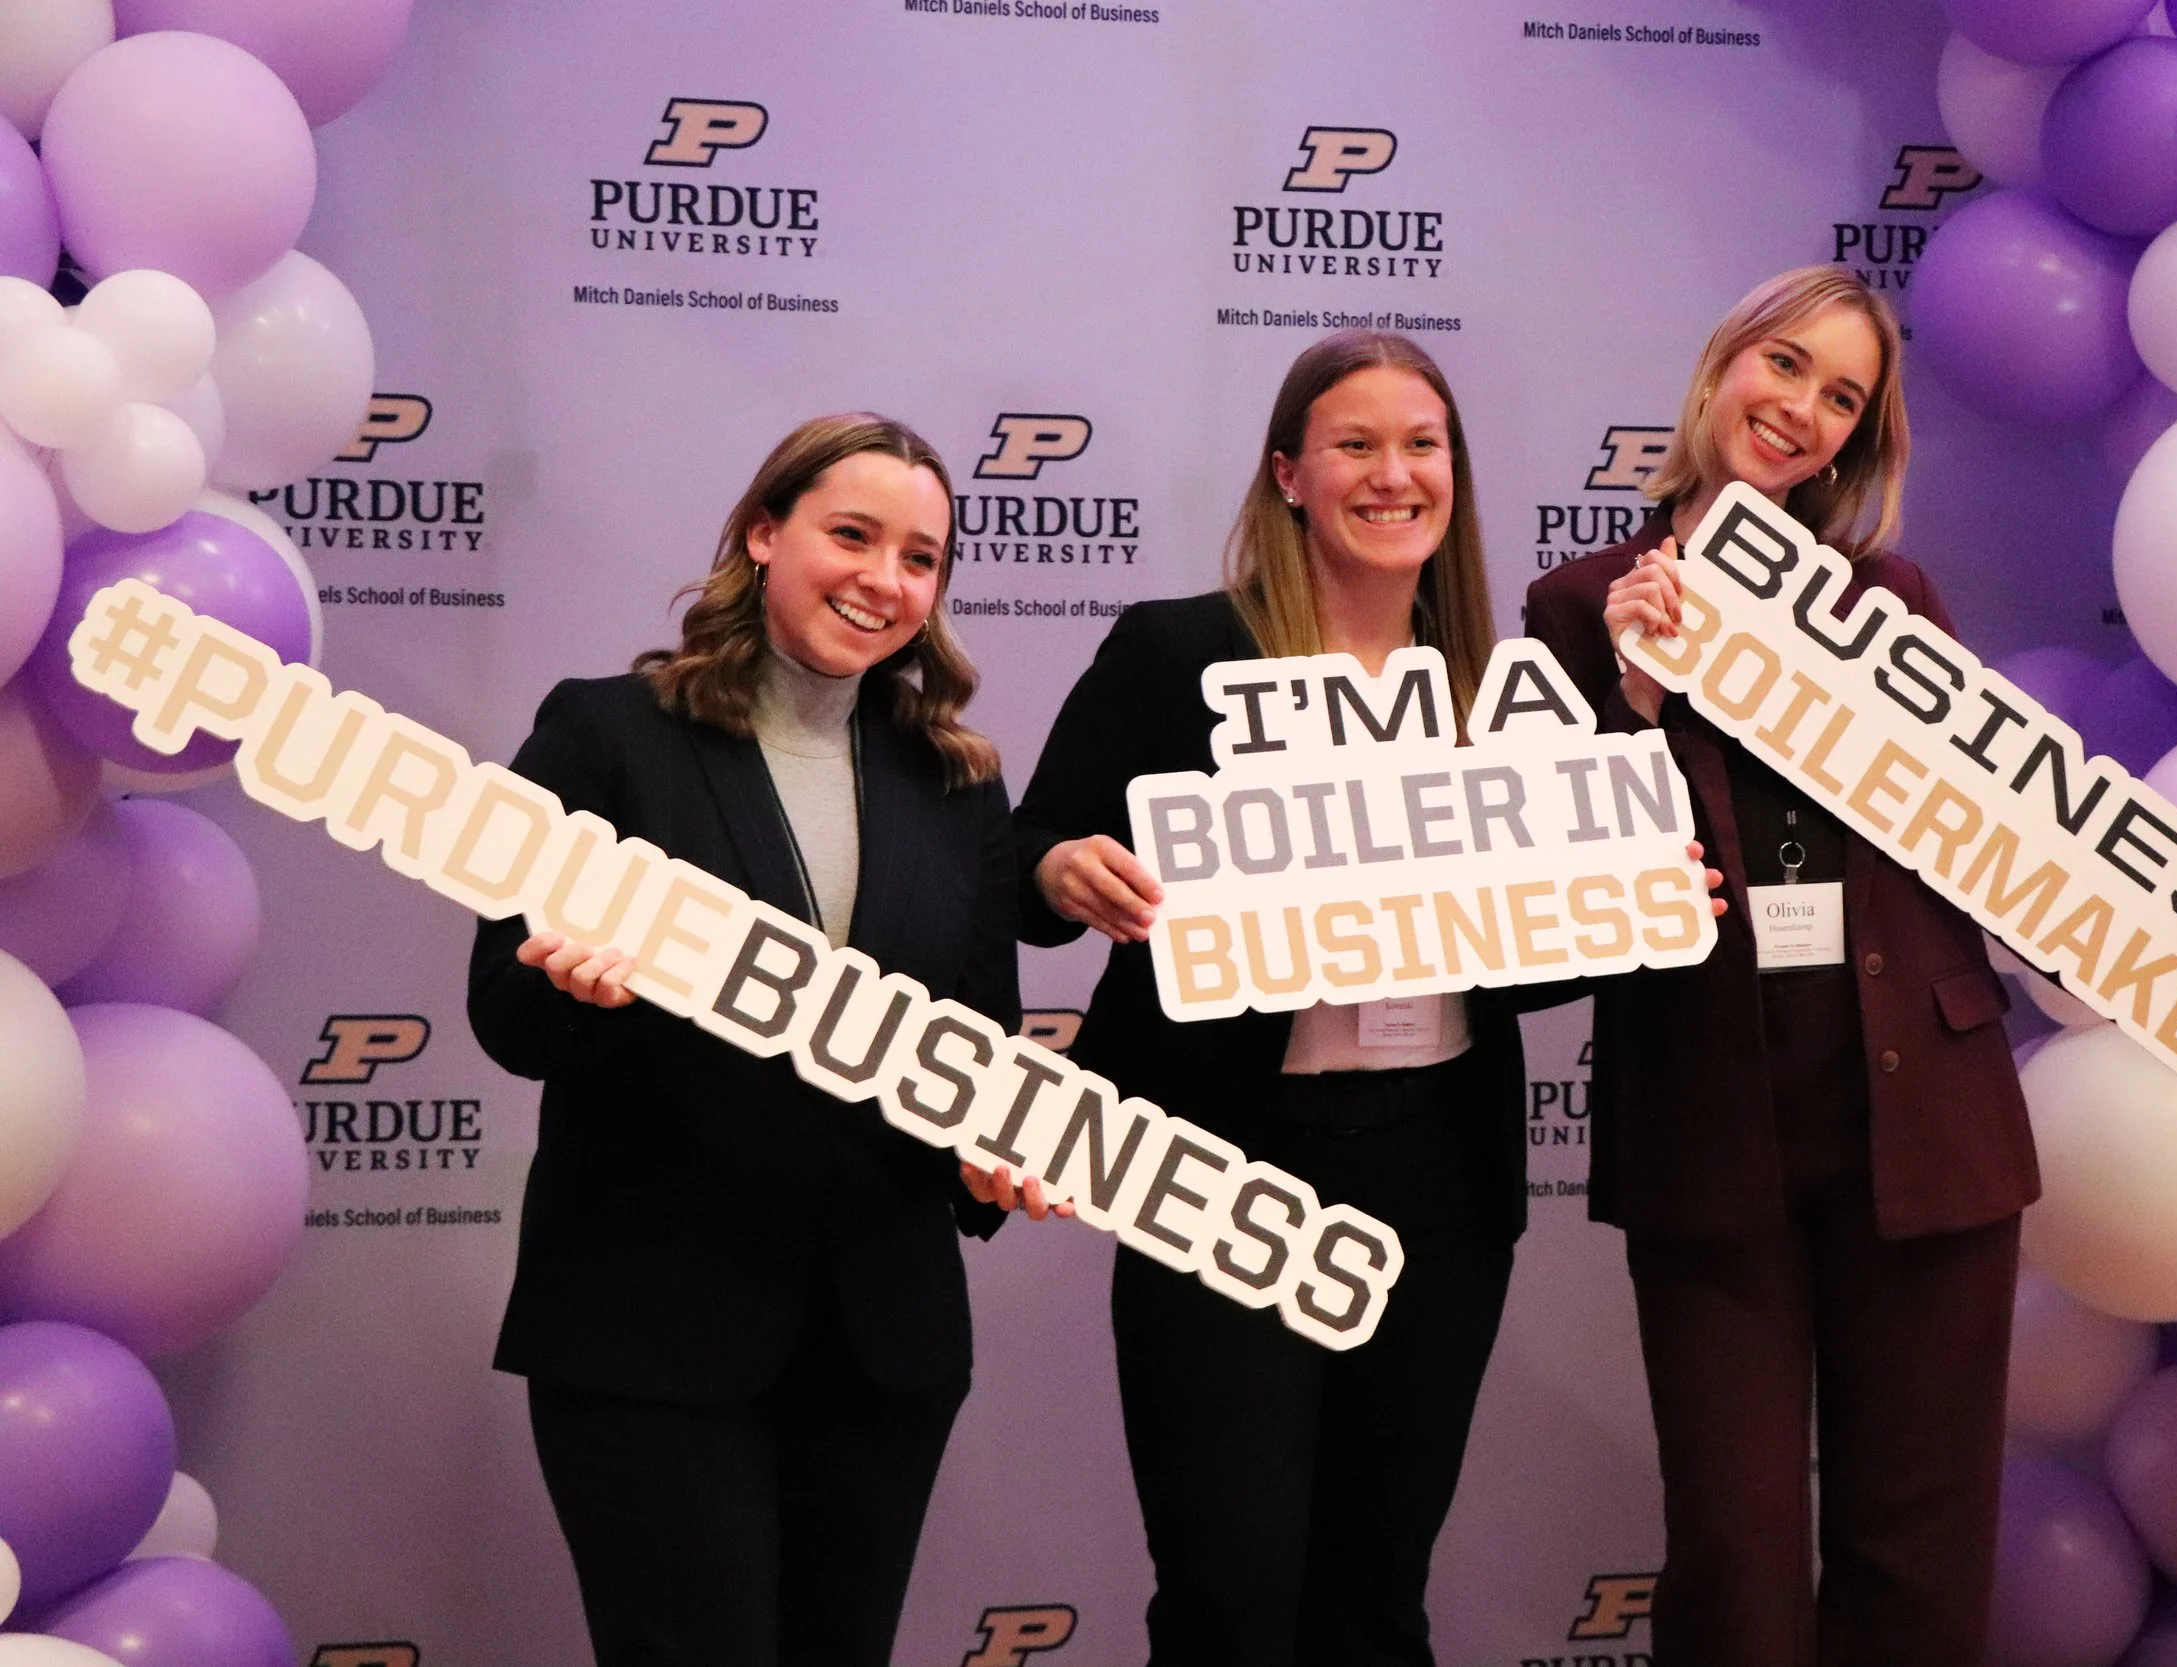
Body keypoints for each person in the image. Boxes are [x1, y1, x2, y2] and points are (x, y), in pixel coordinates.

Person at [1523, 266, 2177, 1667]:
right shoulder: (1578, 603)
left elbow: (2031, 851)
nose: (1801, 410)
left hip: (1926, 1130)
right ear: (1722, 366)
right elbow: (1554, 895)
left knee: (1919, 1550)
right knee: (1737, 1556)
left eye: (1842, 397)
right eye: (1785, 367)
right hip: (1712, 1134)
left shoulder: (1886, 603)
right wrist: (1638, 699)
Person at [1011, 331, 1705, 1666]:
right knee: (1230, 1593)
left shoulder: (1508, 693)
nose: (1395, 474)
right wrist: (1060, 864)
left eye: (1423, 444)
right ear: (1289, 474)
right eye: (1356, 444)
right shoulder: (1178, 653)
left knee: (1377, 1590)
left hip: (1436, 1176)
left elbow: (1541, 954)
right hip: (1221, 1164)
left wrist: (1642, 896)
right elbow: (1023, 862)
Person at [467, 414, 1048, 1667]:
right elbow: (503, 1012)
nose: (882, 579)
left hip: (881, 1347)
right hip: (651, 1337)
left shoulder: (956, 777)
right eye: (851, 534)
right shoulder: (609, 731)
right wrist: (578, 986)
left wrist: (996, 1152)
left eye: (920, 557)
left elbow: (979, 1048)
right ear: (762, 531)